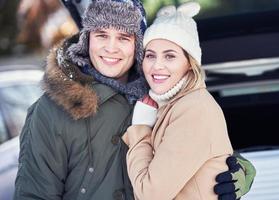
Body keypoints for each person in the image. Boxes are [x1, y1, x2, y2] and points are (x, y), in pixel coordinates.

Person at [14, 0, 255, 200]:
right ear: (87, 40)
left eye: (123, 37)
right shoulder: (54, 109)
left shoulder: (163, 94)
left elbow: (198, 146)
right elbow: (34, 194)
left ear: (138, 44)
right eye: (101, 35)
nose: (111, 48)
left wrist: (241, 171)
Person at [122, 2, 255, 200]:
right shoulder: (169, 105)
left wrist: (141, 129)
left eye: (170, 56)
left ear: (189, 64)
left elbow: (150, 194)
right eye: (150, 55)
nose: (157, 65)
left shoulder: (194, 108)